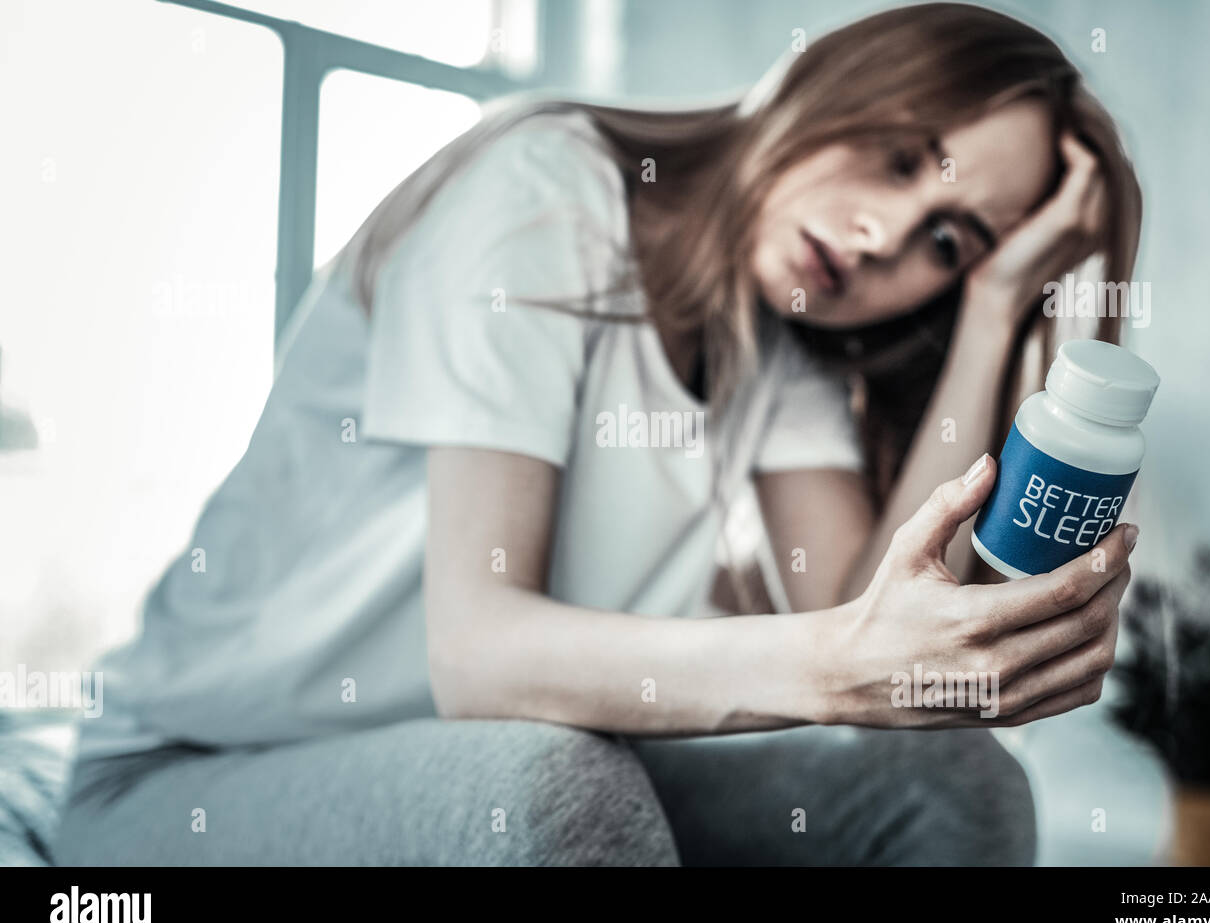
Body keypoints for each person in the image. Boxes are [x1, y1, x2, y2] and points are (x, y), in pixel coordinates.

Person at [54, 3, 1140, 866]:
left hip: (464, 761)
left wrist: (995, 304)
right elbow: (476, 656)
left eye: (946, 241)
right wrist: (840, 667)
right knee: (556, 788)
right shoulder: (540, 191)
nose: (884, 234)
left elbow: (853, 617)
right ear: (829, 84)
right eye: (905, 160)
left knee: (952, 784)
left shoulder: (784, 331)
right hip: (194, 777)